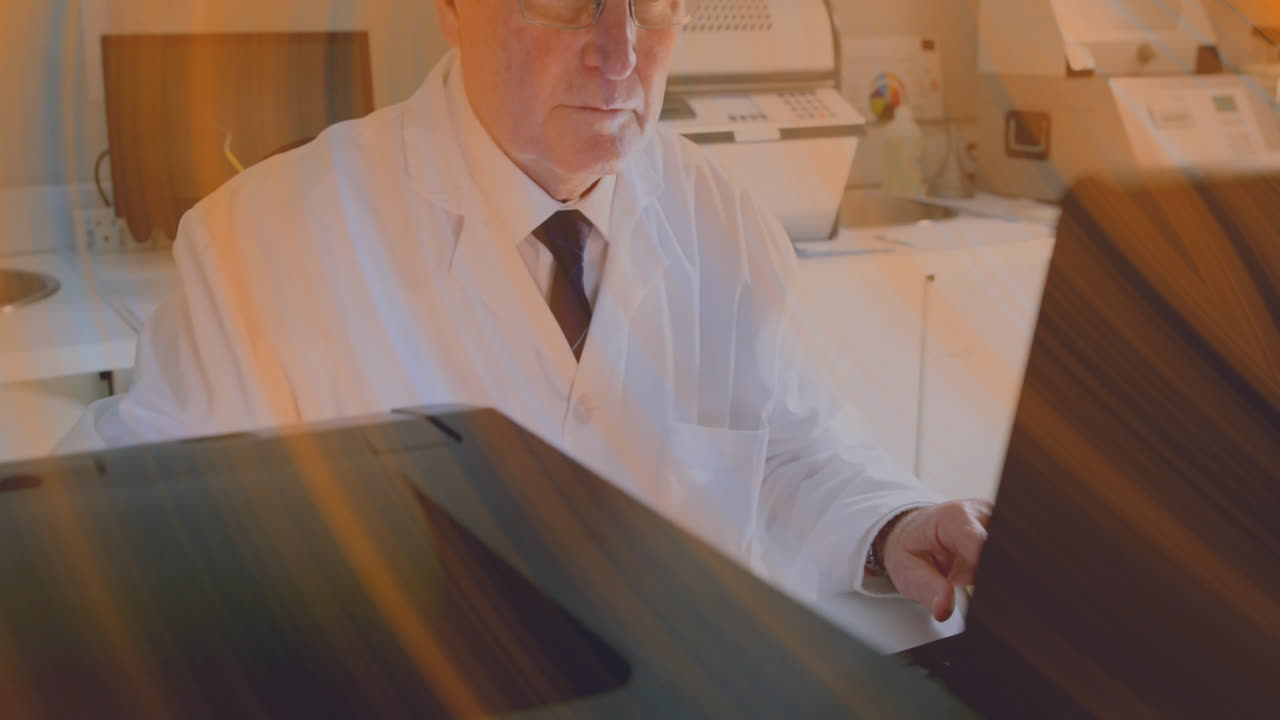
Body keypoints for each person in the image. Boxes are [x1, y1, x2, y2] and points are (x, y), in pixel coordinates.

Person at [59, 0, 990, 622]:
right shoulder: (264, 240)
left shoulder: (722, 217)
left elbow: (788, 447)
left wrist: (893, 526)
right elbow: (121, 535)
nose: (620, 53)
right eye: (569, 0)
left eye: (653, 1)